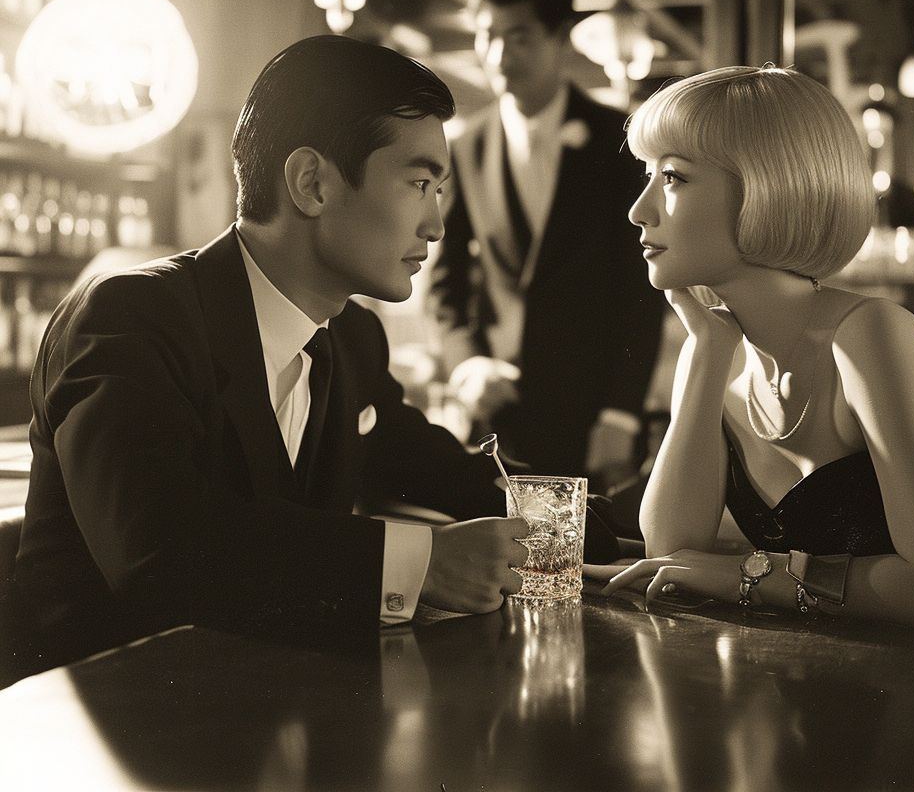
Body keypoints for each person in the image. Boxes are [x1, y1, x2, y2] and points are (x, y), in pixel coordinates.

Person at [12, 35, 530, 679]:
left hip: (261, 720)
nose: (436, 225)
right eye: (419, 183)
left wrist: (585, 522)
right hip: (91, 732)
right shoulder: (130, 316)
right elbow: (156, 551)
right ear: (311, 183)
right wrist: (420, 563)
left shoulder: (352, 339)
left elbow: (441, 470)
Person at [588, 65, 914, 633]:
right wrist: (705, 350)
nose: (640, 209)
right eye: (648, 174)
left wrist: (747, 576)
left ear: (765, 186)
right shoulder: (714, 350)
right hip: (800, 696)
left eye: (674, 178)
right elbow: (674, 551)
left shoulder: (873, 335)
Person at [428, 0, 664, 488]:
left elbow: (642, 287)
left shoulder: (619, 140)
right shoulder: (467, 146)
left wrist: (621, 414)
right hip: (496, 417)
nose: (500, 55)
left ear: (561, 38)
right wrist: (466, 364)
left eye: (520, 36)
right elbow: (444, 282)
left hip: (594, 421)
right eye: (488, 35)